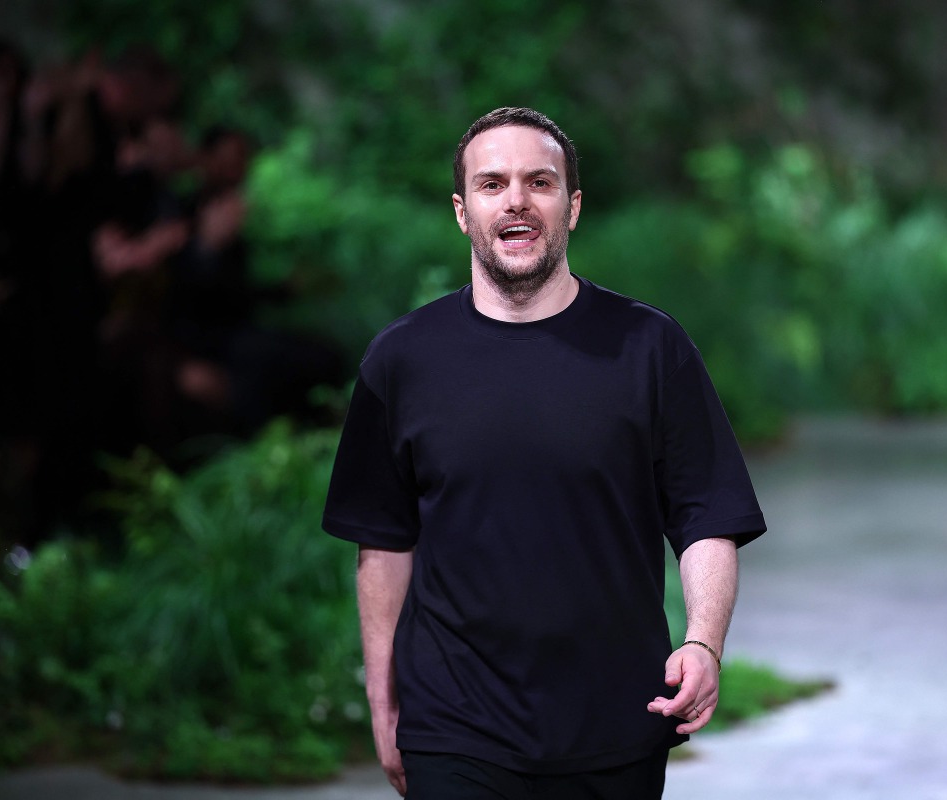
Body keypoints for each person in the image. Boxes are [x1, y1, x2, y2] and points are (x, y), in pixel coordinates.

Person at [322, 107, 766, 800]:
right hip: (454, 725)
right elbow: (383, 544)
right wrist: (384, 705)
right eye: (491, 184)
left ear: (573, 206)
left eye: (540, 182)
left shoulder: (649, 348)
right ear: (463, 212)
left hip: (615, 722)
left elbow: (706, 515)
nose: (517, 201)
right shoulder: (403, 360)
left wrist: (704, 641)